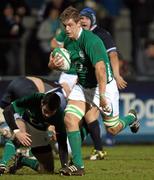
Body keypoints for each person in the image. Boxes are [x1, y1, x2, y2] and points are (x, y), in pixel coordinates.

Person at [48, 6, 140, 176]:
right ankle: (78, 166)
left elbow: (101, 70)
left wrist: (103, 96)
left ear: (78, 24)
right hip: (83, 86)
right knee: (69, 118)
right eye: (64, 26)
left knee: (113, 129)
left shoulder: (92, 41)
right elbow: (53, 60)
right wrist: (53, 64)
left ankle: (131, 117)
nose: (66, 29)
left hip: (102, 86)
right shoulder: (68, 41)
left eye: (69, 25)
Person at [0, 76, 65, 174]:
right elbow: (7, 110)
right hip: (26, 122)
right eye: (45, 111)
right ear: (42, 103)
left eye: (51, 113)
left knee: (48, 171)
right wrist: (16, 131)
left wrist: (65, 166)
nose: (47, 115)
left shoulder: (60, 114)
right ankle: (2, 164)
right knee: (19, 132)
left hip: (41, 131)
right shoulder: (34, 98)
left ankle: (23, 160)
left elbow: (62, 142)